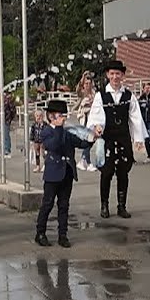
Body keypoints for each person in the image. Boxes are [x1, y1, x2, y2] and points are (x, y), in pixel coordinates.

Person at [87, 59, 147, 219]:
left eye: (118, 74)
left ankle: (122, 206)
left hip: (123, 138)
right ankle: (104, 205)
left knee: (123, 172)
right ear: (108, 75)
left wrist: (138, 139)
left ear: (122, 75)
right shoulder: (100, 95)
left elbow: (136, 119)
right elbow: (95, 116)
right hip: (106, 139)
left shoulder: (129, 96)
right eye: (112, 73)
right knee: (106, 173)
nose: (115, 77)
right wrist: (97, 127)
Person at [36, 99, 95, 248]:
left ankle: (63, 235)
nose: (63, 118)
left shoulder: (66, 132)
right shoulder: (47, 131)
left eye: (64, 115)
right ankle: (40, 233)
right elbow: (53, 145)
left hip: (67, 173)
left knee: (64, 205)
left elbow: (81, 143)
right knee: (47, 204)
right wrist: (57, 127)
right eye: (60, 115)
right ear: (51, 116)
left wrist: (93, 137)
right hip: (53, 174)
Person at [74, 71, 97, 171]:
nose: (88, 85)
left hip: (93, 117)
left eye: (89, 83)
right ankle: (87, 161)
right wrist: (83, 77)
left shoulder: (94, 93)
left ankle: (84, 160)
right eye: (86, 83)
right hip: (85, 117)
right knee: (88, 138)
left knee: (91, 139)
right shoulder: (82, 93)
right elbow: (78, 90)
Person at [29, 108, 48, 173]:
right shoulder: (34, 125)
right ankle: (38, 166)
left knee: (43, 153)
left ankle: (45, 165)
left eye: (40, 116)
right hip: (36, 140)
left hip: (43, 141)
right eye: (37, 116)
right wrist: (31, 140)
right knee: (37, 153)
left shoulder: (45, 125)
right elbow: (32, 132)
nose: (38, 117)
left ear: (43, 116)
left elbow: (47, 132)